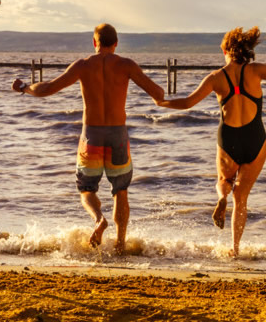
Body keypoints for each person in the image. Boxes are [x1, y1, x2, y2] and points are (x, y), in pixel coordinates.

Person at [155, 25, 266, 257]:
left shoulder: (216, 77)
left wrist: (162, 102)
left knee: (223, 180)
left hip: (228, 138)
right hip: (255, 138)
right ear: (245, 50)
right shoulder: (255, 71)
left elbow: (188, 103)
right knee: (242, 197)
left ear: (226, 49)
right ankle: (235, 249)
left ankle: (221, 197)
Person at [12, 23, 164, 254]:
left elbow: (47, 89)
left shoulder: (83, 65)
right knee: (120, 191)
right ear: (116, 44)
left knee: (86, 190)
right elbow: (159, 94)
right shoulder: (126, 65)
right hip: (118, 135)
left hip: (91, 135)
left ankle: (98, 219)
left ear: (94, 43)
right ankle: (121, 245)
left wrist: (25, 88)